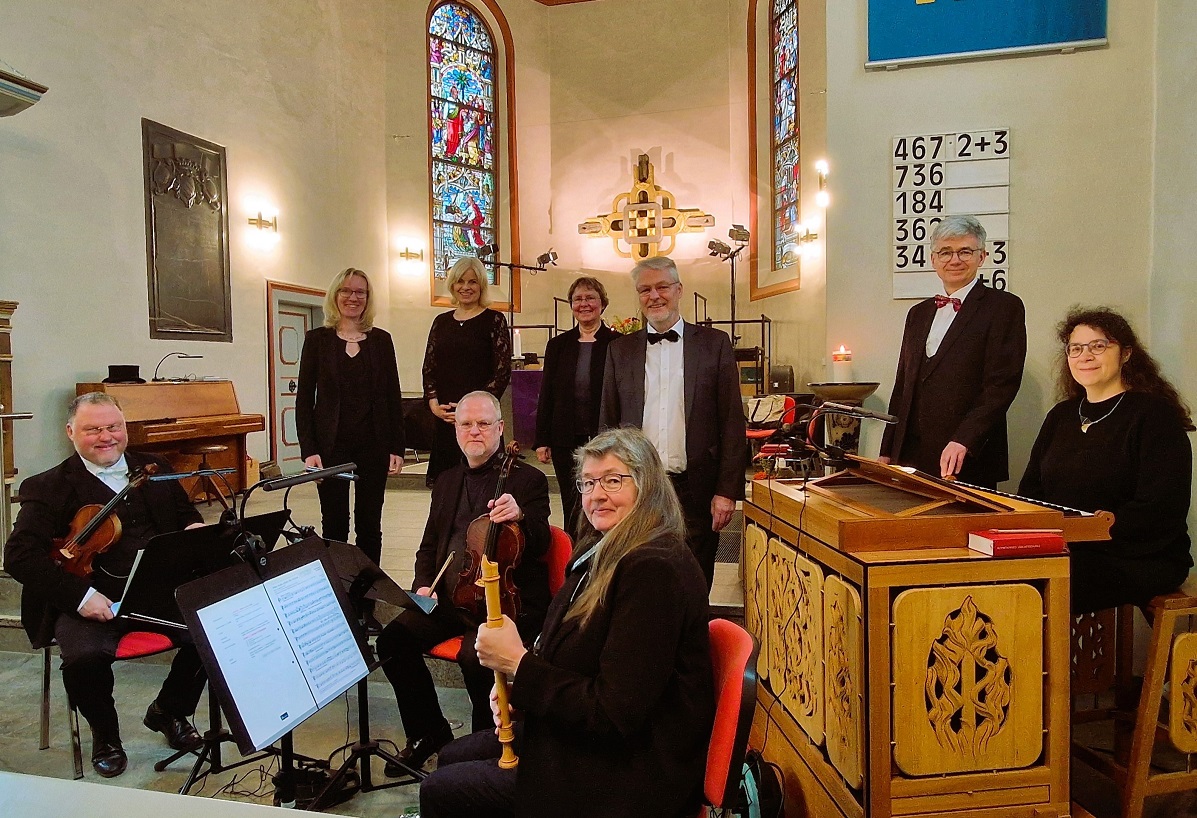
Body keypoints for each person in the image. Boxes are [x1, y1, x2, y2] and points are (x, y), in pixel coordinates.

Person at [418, 426, 715, 818]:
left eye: (613, 480)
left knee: (441, 789)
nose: (597, 495)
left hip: (629, 772)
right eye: (588, 483)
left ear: (647, 487)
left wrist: (518, 665)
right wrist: (517, 685)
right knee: (454, 754)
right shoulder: (604, 547)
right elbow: (576, 654)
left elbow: (613, 713)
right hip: (595, 740)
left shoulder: (653, 569)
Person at [3, 393, 208, 778]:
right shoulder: (48, 487)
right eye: (92, 429)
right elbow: (18, 556)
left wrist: (194, 529)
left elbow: (184, 513)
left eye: (113, 427)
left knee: (216, 629)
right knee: (83, 659)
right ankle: (106, 735)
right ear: (70, 432)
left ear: (125, 428)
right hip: (89, 596)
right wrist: (80, 596)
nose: (106, 437)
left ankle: (170, 710)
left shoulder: (155, 467)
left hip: (156, 591)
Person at [375, 391, 550, 772]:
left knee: (477, 657)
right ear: (455, 430)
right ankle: (429, 732)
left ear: (500, 429)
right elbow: (429, 545)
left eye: (484, 423)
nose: (474, 431)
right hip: (451, 600)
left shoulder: (528, 481)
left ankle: (482, 749)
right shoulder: (448, 480)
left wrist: (520, 516)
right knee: (392, 641)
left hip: (503, 603)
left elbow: (543, 541)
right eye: (466, 424)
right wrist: (424, 584)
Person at [1019, 307, 1193, 614]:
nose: (1085, 356)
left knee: (1028, 592)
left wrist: (1090, 531)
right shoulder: (1060, 416)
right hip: (1066, 549)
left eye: (1098, 346)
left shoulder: (1153, 415)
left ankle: (1043, 663)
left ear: (1126, 354)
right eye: (1076, 348)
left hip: (1138, 556)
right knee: (993, 580)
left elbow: (1161, 508)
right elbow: (1031, 492)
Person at [599, 255, 745, 589]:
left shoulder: (714, 344)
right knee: (640, 577)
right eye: (645, 290)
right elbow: (607, 424)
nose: (654, 296)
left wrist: (726, 491)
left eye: (662, 286)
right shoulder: (619, 351)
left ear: (679, 290)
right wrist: (607, 483)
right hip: (637, 486)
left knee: (695, 579)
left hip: (696, 485)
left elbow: (731, 422)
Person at [880, 215, 1026, 487]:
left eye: (965, 251)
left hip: (965, 455)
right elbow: (903, 384)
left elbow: (1001, 385)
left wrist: (964, 440)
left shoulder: (1004, 307)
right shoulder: (918, 314)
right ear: (933, 260)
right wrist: (888, 449)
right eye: (946, 252)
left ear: (982, 256)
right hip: (911, 453)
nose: (955, 259)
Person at [296, 267, 404, 630]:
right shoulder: (317, 340)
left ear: (368, 298)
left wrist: (397, 447)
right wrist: (308, 449)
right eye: (346, 291)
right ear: (335, 296)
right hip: (331, 448)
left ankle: (366, 601)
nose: (353, 297)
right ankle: (337, 599)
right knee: (335, 526)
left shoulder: (382, 340)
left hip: (373, 446)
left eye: (360, 292)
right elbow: (304, 401)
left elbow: (392, 398)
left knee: (370, 526)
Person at [534, 276, 617, 531]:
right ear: (571, 305)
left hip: (605, 437)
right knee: (572, 502)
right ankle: (574, 558)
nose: (584, 303)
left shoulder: (617, 343)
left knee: (604, 498)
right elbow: (547, 392)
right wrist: (542, 439)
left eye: (590, 297)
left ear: (602, 303)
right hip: (564, 438)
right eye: (578, 299)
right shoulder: (558, 345)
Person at [422, 257, 512, 485]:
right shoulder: (440, 322)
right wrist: (433, 404)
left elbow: (501, 373)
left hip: (479, 421)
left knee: (483, 486)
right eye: (460, 281)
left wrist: (471, 412)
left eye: (472, 282)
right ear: (452, 285)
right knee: (445, 488)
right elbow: (429, 368)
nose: (466, 287)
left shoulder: (494, 320)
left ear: (481, 285)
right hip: (446, 418)